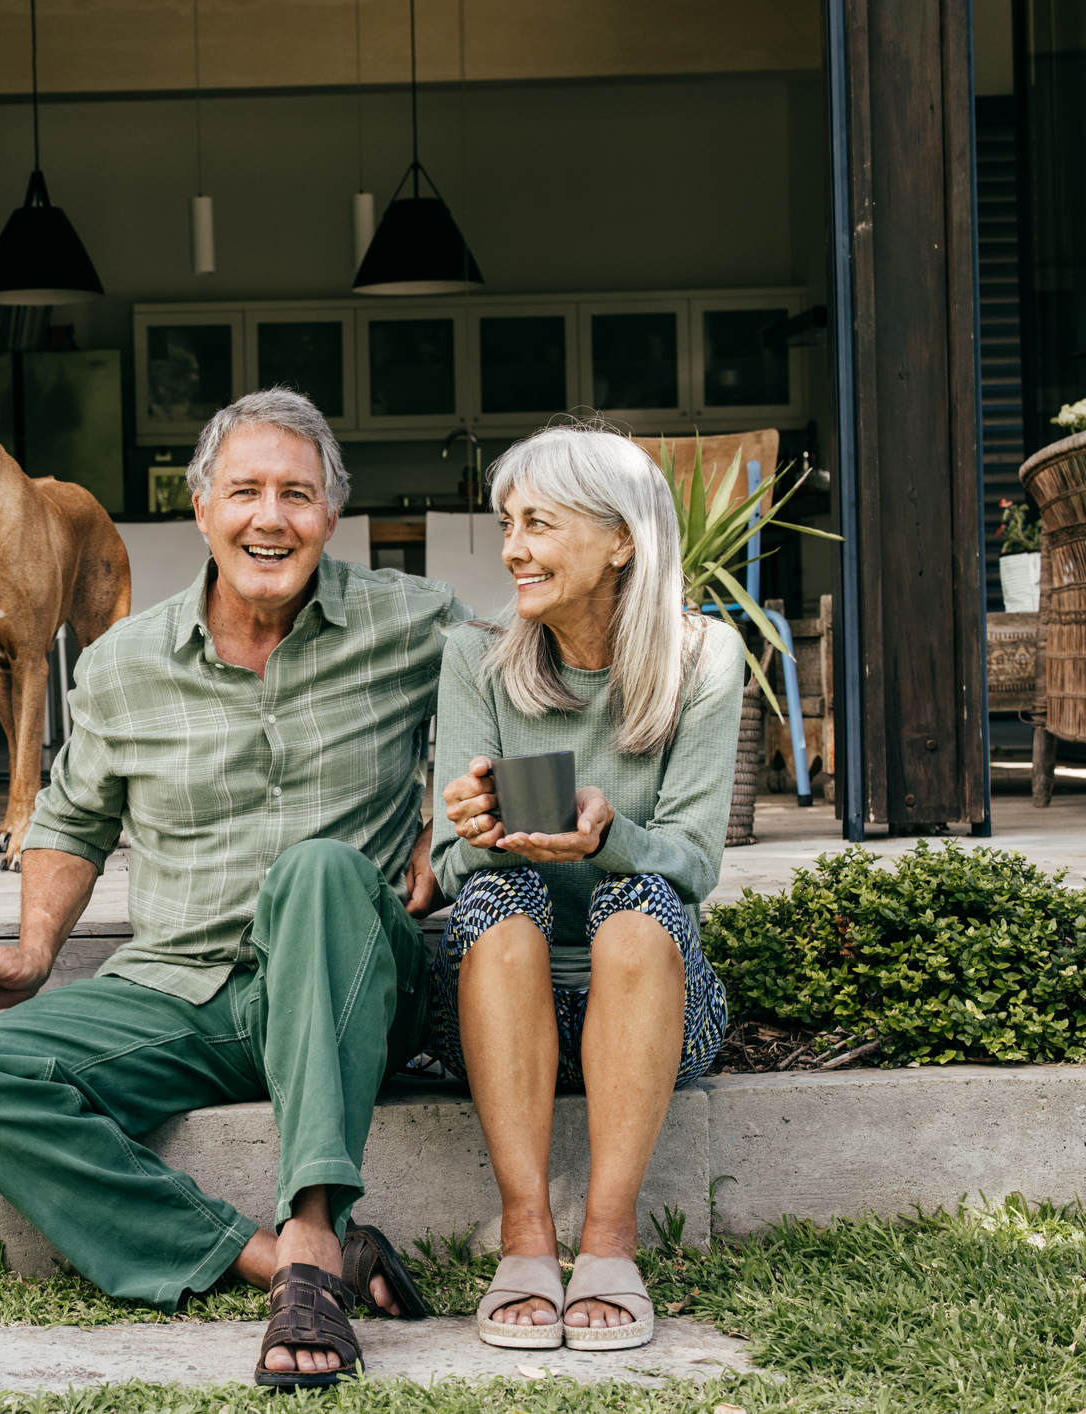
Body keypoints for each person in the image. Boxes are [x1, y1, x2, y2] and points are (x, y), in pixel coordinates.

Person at [0, 388, 472, 1389]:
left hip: (349, 979)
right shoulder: (123, 662)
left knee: (316, 869)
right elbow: (72, 818)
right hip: (180, 988)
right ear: (202, 506)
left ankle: (312, 1227)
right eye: (246, 491)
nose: (271, 517)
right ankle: (275, 1260)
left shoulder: (417, 622)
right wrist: (37, 948)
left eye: (297, 495)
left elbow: (513, 714)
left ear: (330, 518)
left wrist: (446, 830)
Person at [428, 423, 742, 1353]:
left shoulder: (703, 659)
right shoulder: (475, 659)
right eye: (508, 523)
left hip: (650, 1010)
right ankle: (526, 1234)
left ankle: (609, 1239)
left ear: (621, 541)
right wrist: (483, 833)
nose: (514, 549)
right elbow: (448, 870)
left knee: (640, 907)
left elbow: (695, 862)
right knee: (492, 901)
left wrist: (610, 836)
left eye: (540, 524)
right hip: (494, 1019)